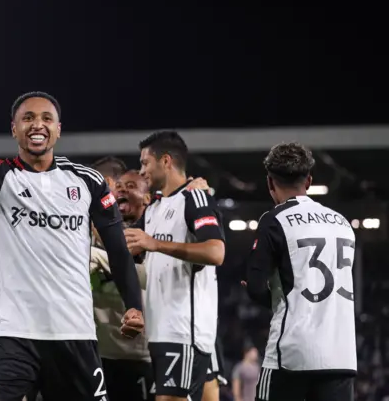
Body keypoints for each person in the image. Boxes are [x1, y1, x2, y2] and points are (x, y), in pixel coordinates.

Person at [0, 60, 144, 401]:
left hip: (74, 335)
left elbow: (118, 249)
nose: (38, 125)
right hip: (11, 337)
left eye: (46, 118)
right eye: (28, 118)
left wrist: (133, 305)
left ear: (58, 129)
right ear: (14, 129)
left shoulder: (87, 181)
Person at [245, 142, 356, 401]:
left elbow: (255, 286)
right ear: (309, 181)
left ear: (270, 183)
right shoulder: (342, 223)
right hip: (341, 355)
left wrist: (269, 294)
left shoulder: (275, 220)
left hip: (291, 356)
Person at [124, 130, 225, 401]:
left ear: (166, 161)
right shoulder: (155, 209)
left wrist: (154, 244)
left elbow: (216, 252)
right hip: (160, 332)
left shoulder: (195, 198)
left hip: (183, 333)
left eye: (145, 163)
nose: (142, 170)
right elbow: (127, 246)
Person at [90, 169, 154, 401]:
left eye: (131, 186)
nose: (123, 190)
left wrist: (102, 257)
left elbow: (152, 278)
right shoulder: (95, 231)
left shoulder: (154, 232)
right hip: (100, 354)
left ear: (147, 198)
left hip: (139, 355)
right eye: (119, 187)